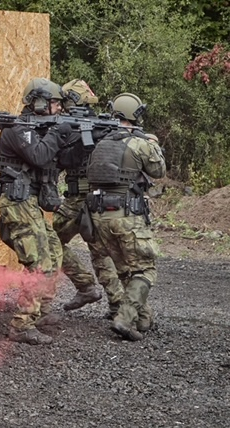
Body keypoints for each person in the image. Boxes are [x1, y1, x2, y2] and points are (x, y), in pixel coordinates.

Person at [0, 77, 74, 345]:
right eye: (53, 103)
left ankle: (40, 312)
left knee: (54, 250)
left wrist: (76, 140)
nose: (58, 108)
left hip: (30, 204)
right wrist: (57, 132)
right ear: (37, 103)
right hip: (18, 201)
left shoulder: (43, 130)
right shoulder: (18, 129)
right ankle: (22, 324)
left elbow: (59, 160)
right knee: (38, 261)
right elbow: (38, 156)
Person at [85, 92, 166, 341]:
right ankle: (125, 318)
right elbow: (159, 170)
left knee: (125, 269)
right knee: (145, 269)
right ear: (134, 115)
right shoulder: (140, 144)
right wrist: (152, 143)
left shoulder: (99, 142)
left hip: (99, 217)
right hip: (127, 216)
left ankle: (143, 319)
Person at [53, 79, 124, 319]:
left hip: (79, 199)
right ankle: (117, 305)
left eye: (63, 102)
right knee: (100, 251)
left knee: (50, 241)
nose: (59, 107)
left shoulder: (80, 126)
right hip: (101, 199)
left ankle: (85, 286)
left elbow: (64, 159)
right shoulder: (105, 125)